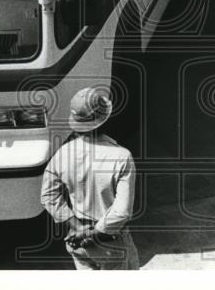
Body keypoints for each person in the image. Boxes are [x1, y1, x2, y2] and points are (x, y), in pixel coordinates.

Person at [40, 87, 140, 270]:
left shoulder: (63, 153)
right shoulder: (121, 156)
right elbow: (121, 211)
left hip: (77, 241)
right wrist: (92, 234)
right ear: (104, 120)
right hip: (110, 243)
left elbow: (48, 195)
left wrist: (78, 228)